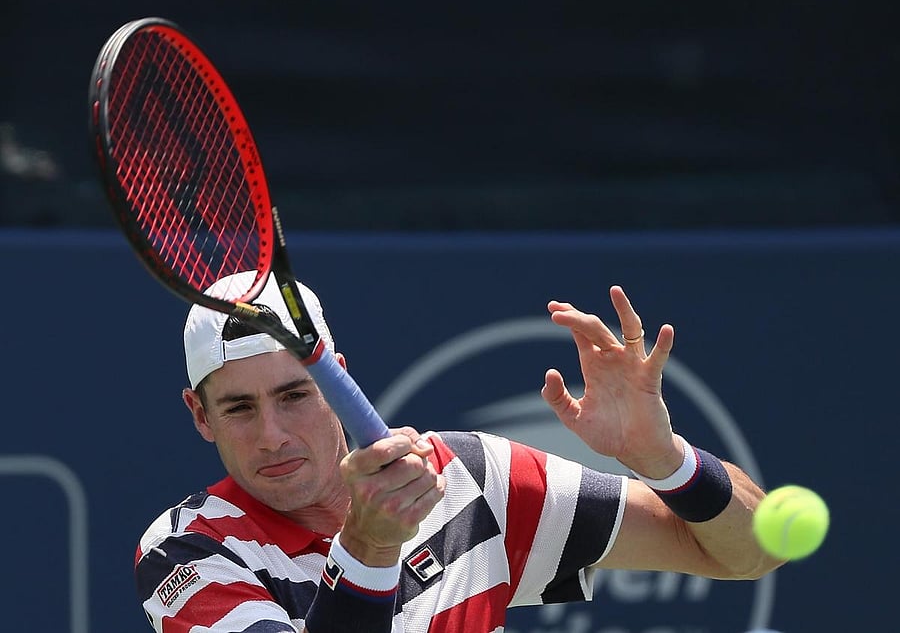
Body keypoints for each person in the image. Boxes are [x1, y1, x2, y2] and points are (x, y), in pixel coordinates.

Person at [134, 271, 782, 633]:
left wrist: (665, 460)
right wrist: (370, 548)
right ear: (201, 415)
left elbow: (747, 552)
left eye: (295, 395)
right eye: (239, 408)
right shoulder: (185, 552)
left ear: (339, 381)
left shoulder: (474, 479)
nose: (272, 434)